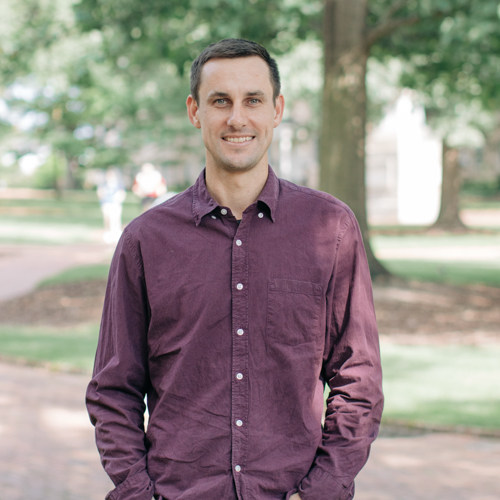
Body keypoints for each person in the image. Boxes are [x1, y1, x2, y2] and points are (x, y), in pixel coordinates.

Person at [86, 38, 383, 500]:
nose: (237, 118)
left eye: (253, 100)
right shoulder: (145, 240)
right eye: (220, 101)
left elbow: (357, 380)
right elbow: (113, 389)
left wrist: (323, 489)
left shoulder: (331, 228)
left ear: (277, 109)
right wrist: (138, 491)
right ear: (194, 111)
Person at [97, 167, 126, 243]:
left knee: (116, 219)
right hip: (107, 203)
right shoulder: (104, 184)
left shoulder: (118, 184)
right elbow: (100, 193)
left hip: (115, 203)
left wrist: (119, 199)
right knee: (107, 218)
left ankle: (116, 234)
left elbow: (122, 193)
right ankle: (108, 233)